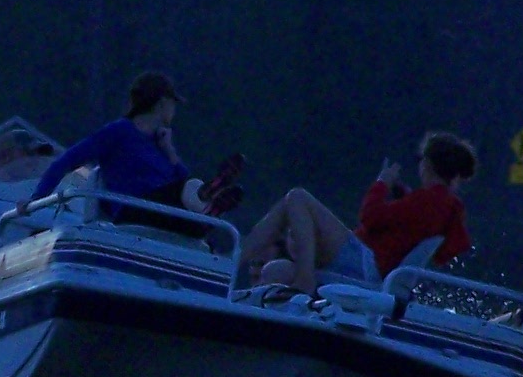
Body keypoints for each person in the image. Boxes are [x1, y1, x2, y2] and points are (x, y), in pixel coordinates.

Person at [242, 131, 478, 295]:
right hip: (368, 267)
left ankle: (302, 279)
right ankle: (234, 266)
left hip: (364, 264)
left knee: (297, 197)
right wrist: (401, 195)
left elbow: (370, 216)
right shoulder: (444, 206)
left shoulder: (429, 200)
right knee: (276, 270)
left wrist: (381, 184)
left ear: (427, 164)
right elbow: (423, 230)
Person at [35, 71, 197, 207]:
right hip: (133, 210)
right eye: (173, 103)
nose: (174, 110)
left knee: (202, 196)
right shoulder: (118, 132)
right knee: (194, 196)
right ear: (162, 103)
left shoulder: (161, 143)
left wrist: (170, 152)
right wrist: (35, 199)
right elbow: (66, 161)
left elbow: (186, 185)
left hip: (161, 212)